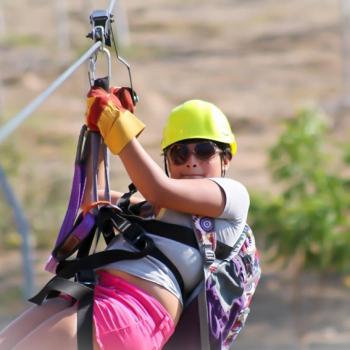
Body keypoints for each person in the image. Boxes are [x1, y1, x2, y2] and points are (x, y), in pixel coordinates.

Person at [0, 87, 258, 350]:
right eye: (179, 153)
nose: (191, 161)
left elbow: (158, 188)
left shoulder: (233, 196)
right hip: (94, 295)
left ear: (225, 158)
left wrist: (117, 123)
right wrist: (98, 131)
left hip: (132, 311)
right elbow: (93, 198)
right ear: (168, 160)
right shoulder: (152, 209)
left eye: (204, 150)